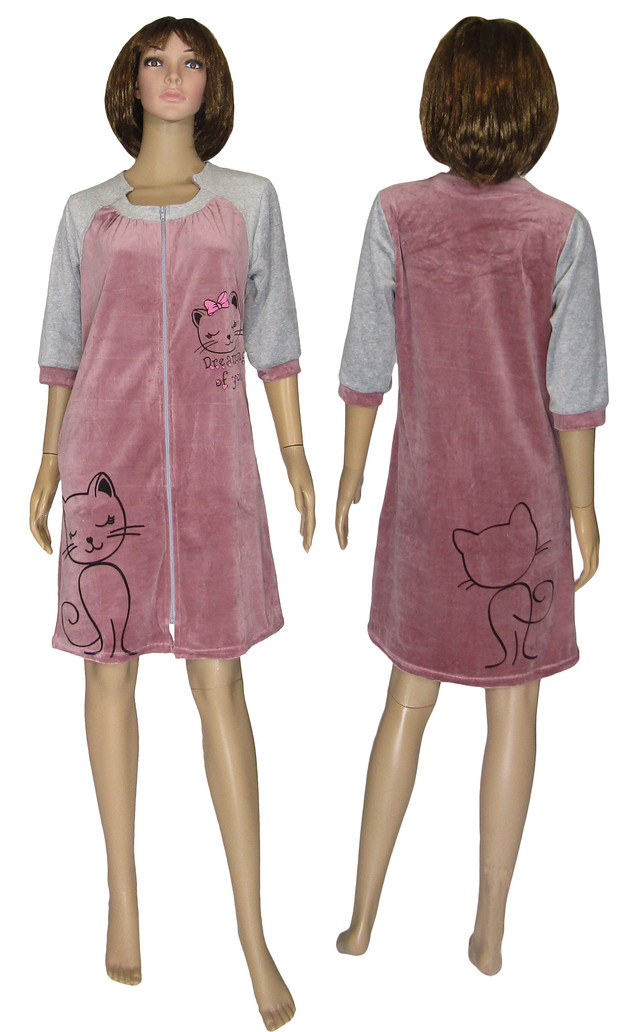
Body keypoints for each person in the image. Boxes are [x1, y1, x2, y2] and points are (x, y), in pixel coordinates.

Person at [30, 16, 313, 1030]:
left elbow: (274, 336)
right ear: (132, 79)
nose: (174, 75)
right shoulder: (85, 214)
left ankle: (252, 931)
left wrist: (293, 451)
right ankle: (122, 895)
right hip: (104, 469)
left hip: (211, 469)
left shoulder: (249, 202)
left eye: (192, 61)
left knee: (220, 681)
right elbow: (64, 347)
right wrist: (48, 462)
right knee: (109, 674)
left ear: (213, 82)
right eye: (156, 59)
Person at [335, 16, 607, 975]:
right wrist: (583, 510)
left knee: (406, 701)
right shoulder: (559, 230)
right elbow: (574, 394)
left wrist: (352, 472)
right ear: (537, 107)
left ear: (439, 99)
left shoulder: (398, 214)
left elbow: (366, 363)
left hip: (426, 501)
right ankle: (488, 929)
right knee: (512, 710)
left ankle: (362, 917)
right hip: (525, 505)